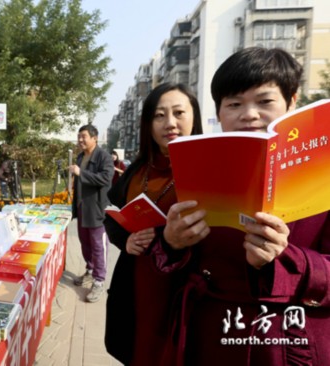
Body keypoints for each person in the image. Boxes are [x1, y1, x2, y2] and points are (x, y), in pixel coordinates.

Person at [151, 47, 330, 365]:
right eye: (234, 104)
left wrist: (290, 261)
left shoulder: (322, 172)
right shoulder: (196, 171)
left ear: (292, 102)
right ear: (219, 113)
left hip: (286, 341)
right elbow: (171, 266)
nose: (248, 114)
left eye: (264, 101)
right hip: (212, 335)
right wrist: (172, 244)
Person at [103, 83, 203, 364]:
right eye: (159, 116)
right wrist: (126, 240)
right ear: (148, 124)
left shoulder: (208, 169)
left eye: (179, 113)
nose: (169, 123)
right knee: (138, 350)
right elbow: (112, 217)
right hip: (136, 284)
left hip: (182, 289)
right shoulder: (137, 169)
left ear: (194, 116)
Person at [70, 124, 114, 303]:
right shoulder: (81, 156)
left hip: (96, 208)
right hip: (82, 207)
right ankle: (90, 271)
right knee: (85, 243)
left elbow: (106, 178)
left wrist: (82, 173)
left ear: (94, 138)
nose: (80, 140)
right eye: (79, 136)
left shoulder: (104, 157)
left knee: (98, 245)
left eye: (84, 136)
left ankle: (99, 281)